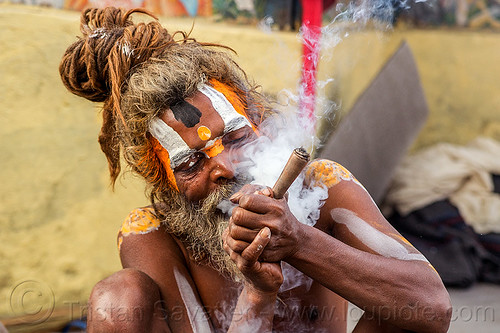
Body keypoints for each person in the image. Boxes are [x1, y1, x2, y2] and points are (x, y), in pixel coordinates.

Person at [59, 7, 452, 332]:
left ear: (259, 122)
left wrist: (300, 241)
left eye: (234, 138)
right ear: (164, 181)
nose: (225, 167)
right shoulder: (152, 234)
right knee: (117, 298)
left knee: (403, 308)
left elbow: (433, 307)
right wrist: (258, 294)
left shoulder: (322, 187)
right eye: (191, 162)